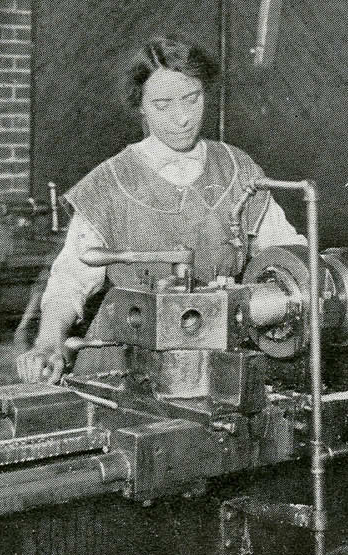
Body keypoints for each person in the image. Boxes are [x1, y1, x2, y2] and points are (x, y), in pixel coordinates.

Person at [18, 34, 301, 381]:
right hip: (126, 364)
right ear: (141, 106)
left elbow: (289, 253)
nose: (182, 118)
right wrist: (49, 342)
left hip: (221, 361)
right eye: (162, 105)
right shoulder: (111, 182)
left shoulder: (236, 169)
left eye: (191, 99)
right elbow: (70, 280)